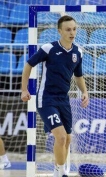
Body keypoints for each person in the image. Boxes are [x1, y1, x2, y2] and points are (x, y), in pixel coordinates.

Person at [21, 15, 89, 177]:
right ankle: (59, 173)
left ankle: (58, 170)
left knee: (67, 139)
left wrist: (84, 92)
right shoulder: (48, 48)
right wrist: (24, 89)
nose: (72, 32)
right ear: (60, 31)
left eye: (74, 29)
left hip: (63, 100)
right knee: (60, 137)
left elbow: (78, 76)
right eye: (68, 29)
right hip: (46, 99)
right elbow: (29, 65)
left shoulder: (78, 52)